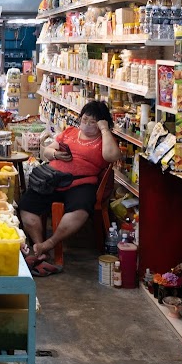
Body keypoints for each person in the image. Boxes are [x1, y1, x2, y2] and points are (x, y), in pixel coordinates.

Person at [19, 101, 121, 268]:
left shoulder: (105, 140)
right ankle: (39, 247)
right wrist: (56, 154)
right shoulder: (70, 132)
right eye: (84, 119)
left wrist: (104, 129)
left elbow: (112, 156)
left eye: (93, 122)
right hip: (54, 178)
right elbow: (46, 152)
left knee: (80, 210)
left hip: (81, 183)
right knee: (27, 205)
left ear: (103, 123)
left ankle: (50, 243)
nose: (87, 125)